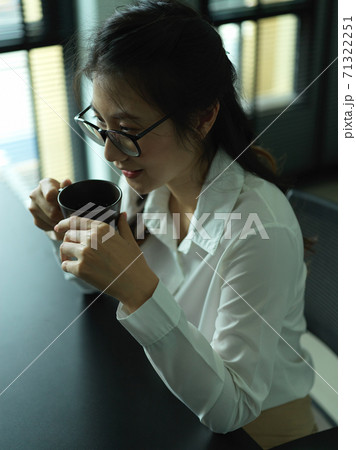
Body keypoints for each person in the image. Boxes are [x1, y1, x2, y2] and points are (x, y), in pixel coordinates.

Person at [28, 1, 317, 448]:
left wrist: (137, 288)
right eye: (101, 125)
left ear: (203, 116)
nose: (110, 152)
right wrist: (64, 231)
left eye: (126, 130)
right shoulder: (150, 181)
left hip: (262, 429)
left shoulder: (260, 227)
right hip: (174, 392)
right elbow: (97, 287)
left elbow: (235, 409)